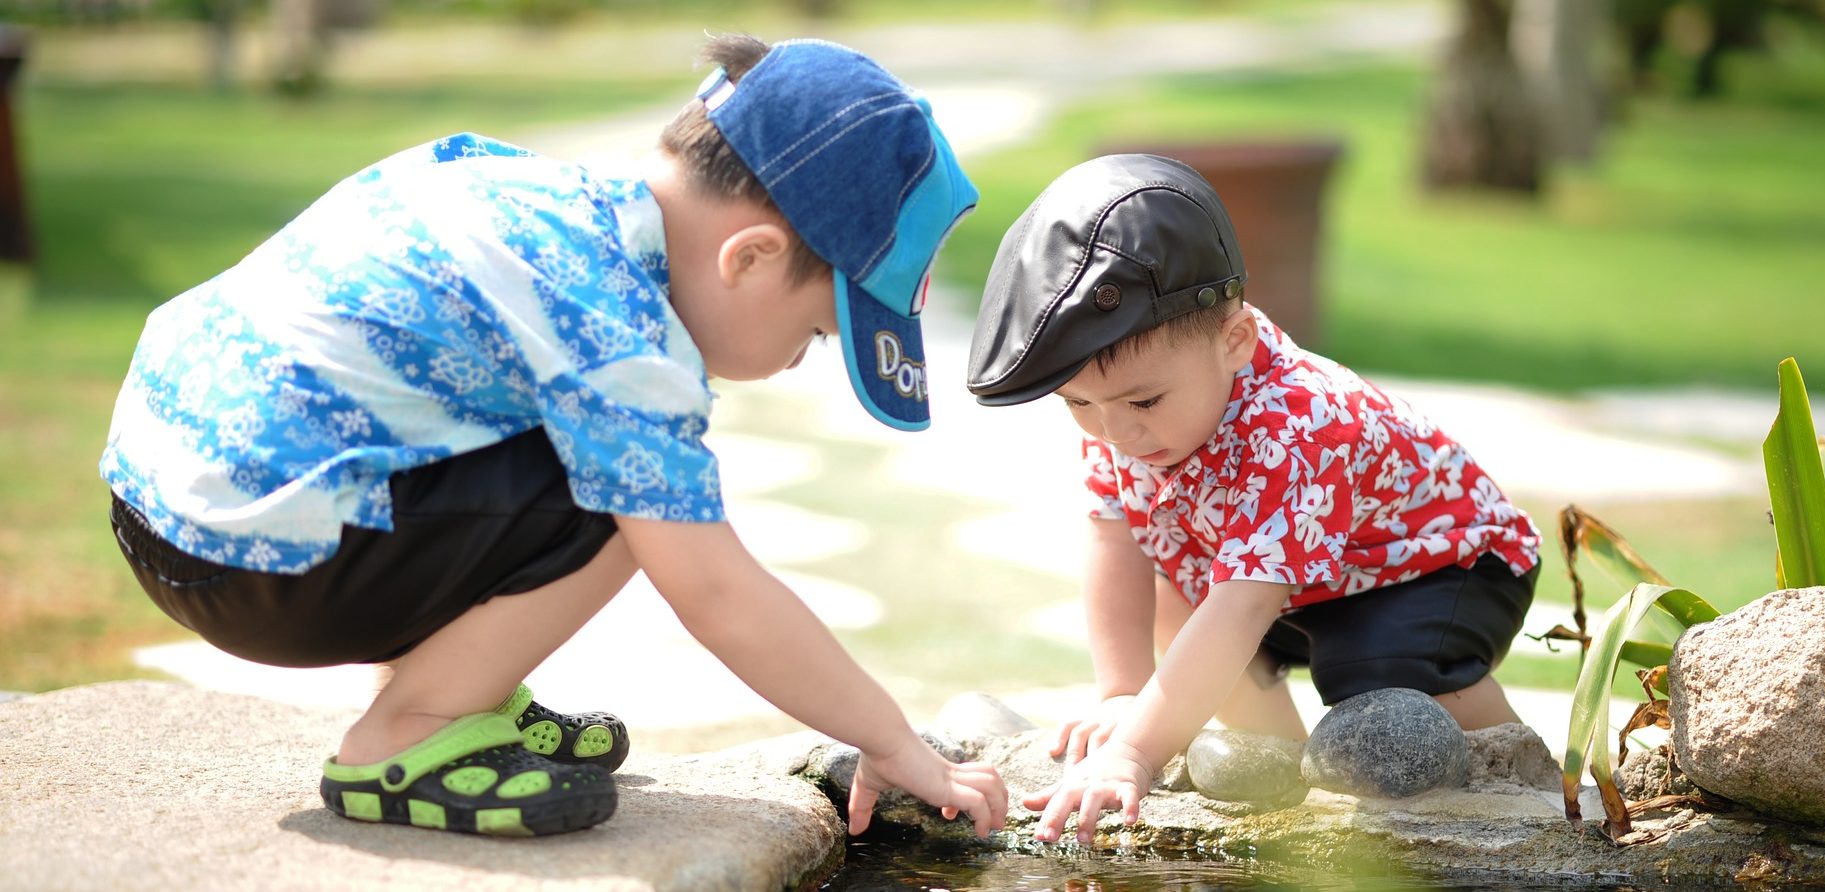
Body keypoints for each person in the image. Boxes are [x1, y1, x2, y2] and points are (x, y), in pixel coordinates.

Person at [101, 35, 1006, 839]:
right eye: (814, 336)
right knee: (636, 501)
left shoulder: (536, 196)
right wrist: (890, 740)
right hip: (255, 561)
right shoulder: (619, 333)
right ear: (752, 258)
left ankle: (460, 694)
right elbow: (717, 594)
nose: (793, 363)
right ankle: (406, 736)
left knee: (582, 450)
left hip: (169, 502)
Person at [965, 154, 1541, 844]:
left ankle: (1521, 778)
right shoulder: (1125, 418)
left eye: (1144, 399)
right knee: (1177, 594)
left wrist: (1134, 752)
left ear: (1234, 340)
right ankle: (1285, 781)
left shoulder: (1299, 423)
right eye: (1079, 404)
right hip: (1297, 581)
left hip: (1441, 567)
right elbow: (1113, 538)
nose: (1117, 431)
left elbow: (1244, 606)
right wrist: (1123, 692)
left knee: (1372, 674)